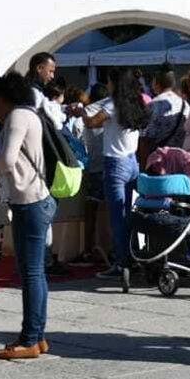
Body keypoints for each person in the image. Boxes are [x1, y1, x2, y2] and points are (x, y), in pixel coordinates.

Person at [0, 73, 53, 360]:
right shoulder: (29, 114)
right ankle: (38, 335)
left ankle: (29, 339)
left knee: (31, 272)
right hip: (35, 199)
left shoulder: (16, 117)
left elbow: (8, 159)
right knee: (36, 272)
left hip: (30, 202)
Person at [73, 67, 148, 278]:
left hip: (115, 163)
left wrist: (80, 112)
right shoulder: (136, 102)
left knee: (117, 217)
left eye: (109, 82)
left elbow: (91, 122)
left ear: (115, 83)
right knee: (130, 214)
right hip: (133, 162)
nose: (107, 85)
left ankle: (121, 263)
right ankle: (133, 258)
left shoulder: (112, 103)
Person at [139, 66, 186, 153]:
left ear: (156, 83)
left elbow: (144, 139)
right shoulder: (184, 104)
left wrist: (143, 165)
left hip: (158, 158)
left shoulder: (152, 106)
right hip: (180, 156)